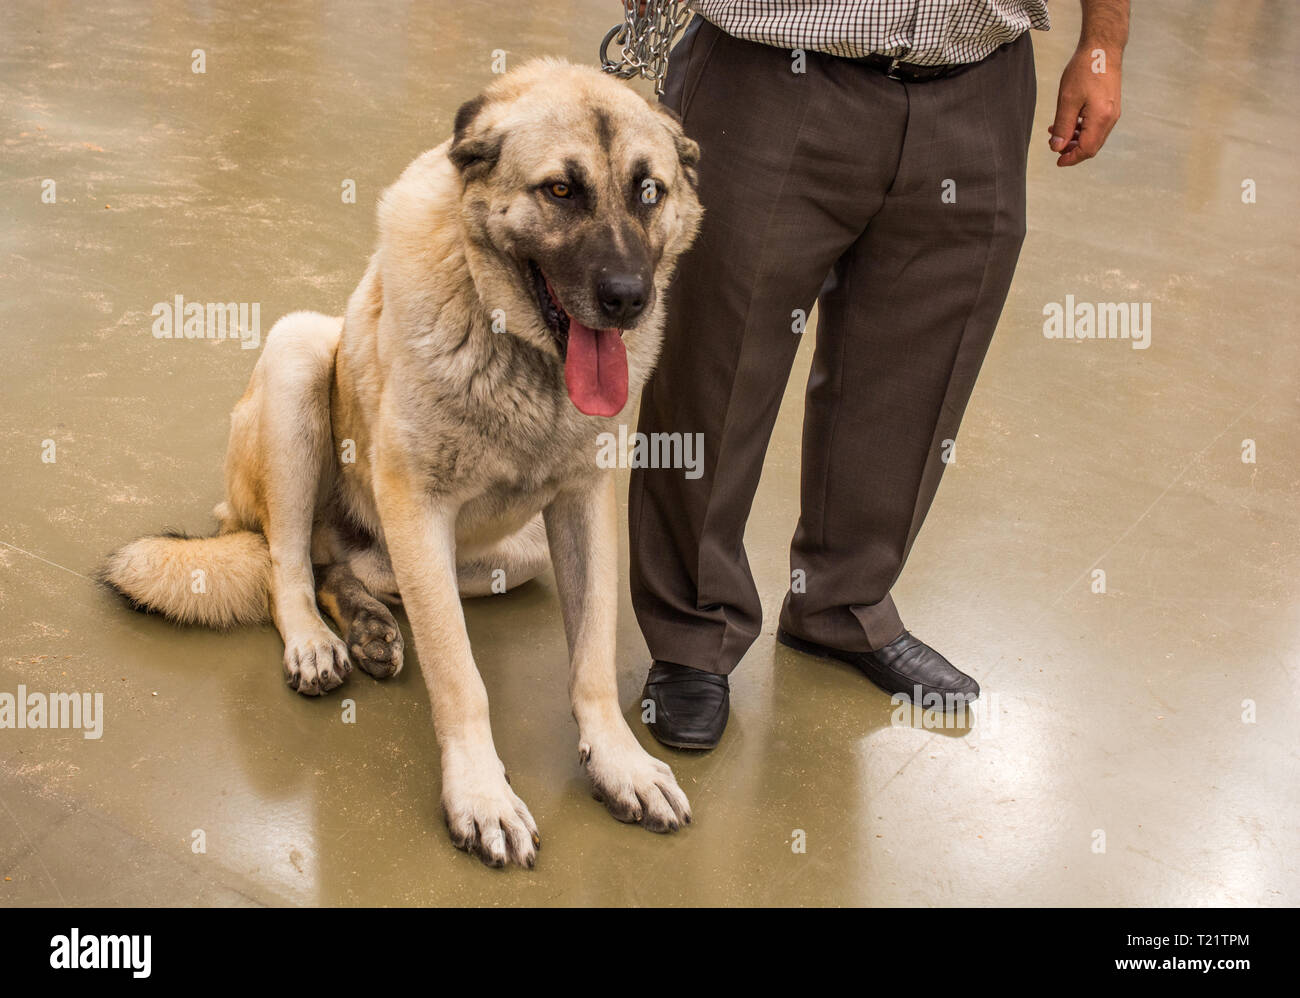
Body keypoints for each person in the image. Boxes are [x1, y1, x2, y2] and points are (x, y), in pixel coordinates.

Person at [632, 0, 1129, 749]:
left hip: (976, 79)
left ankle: (843, 603)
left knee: (918, 362)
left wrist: (1103, 44)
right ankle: (692, 632)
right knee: (715, 365)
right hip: (769, 64)